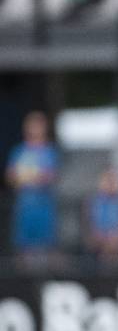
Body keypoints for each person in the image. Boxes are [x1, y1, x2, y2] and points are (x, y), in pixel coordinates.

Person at [6, 111, 59, 261]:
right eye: (32, 125)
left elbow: (50, 176)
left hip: (44, 209)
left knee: (45, 253)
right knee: (24, 254)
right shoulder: (18, 151)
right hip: (24, 209)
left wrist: (25, 176)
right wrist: (34, 176)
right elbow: (10, 176)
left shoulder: (49, 152)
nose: (35, 129)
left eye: (38, 125)